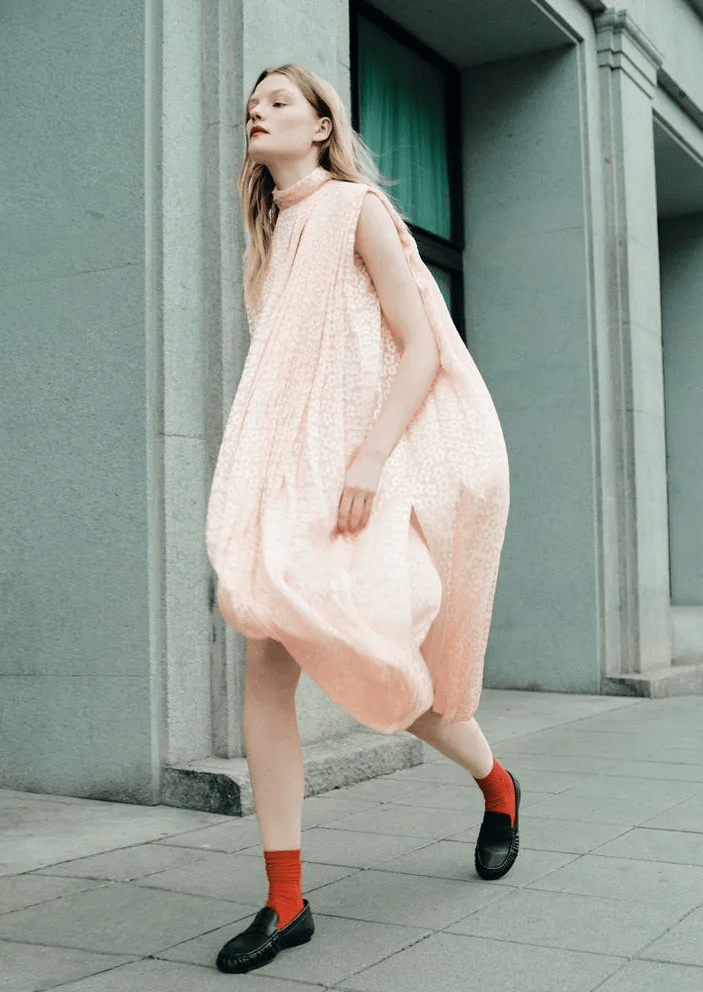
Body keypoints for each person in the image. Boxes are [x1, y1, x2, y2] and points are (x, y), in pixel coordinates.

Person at [206, 63, 518, 976]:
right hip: (297, 483)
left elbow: (420, 346)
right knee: (266, 669)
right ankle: (286, 900)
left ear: (320, 125)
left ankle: (498, 783)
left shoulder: (357, 209)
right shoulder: (271, 240)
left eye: (277, 102)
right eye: (251, 104)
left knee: (388, 670)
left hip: (365, 478)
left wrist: (371, 461)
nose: (256, 112)